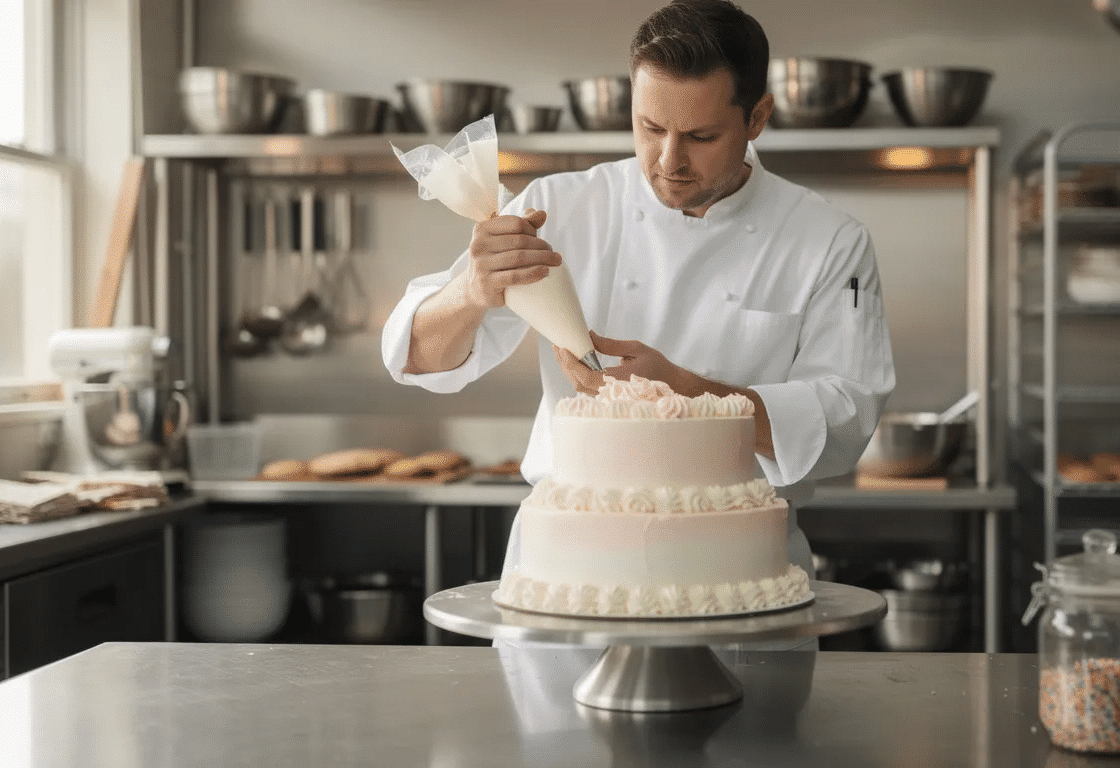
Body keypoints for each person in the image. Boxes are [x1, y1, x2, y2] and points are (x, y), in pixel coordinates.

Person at [381, 0, 896, 638]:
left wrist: (686, 394)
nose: (668, 160)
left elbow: (846, 418)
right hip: (567, 578)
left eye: (701, 137)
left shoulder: (826, 239)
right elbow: (416, 357)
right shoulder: (561, 207)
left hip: (739, 582)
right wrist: (468, 292)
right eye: (650, 127)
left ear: (758, 117)